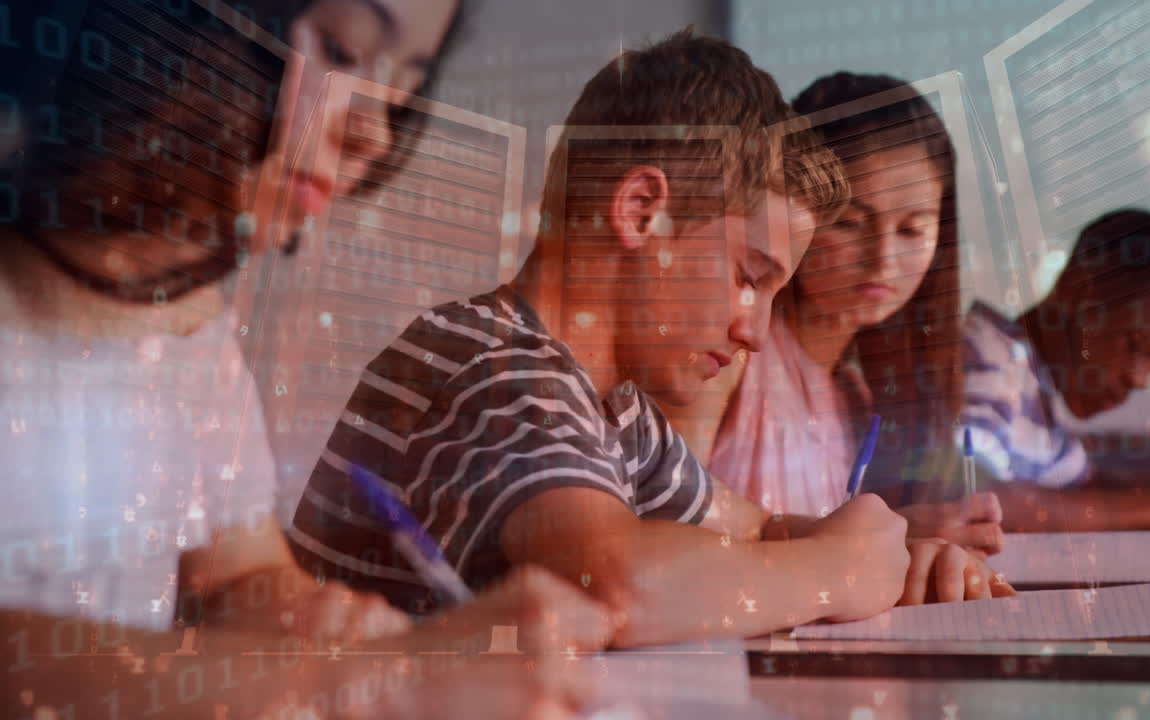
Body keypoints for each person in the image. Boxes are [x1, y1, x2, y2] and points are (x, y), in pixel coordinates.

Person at [292, 34, 1013, 651]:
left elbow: (756, 532)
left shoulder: (617, 408)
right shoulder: (495, 367)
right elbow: (613, 578)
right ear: (641, 212)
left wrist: (902, 559)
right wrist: (837, 572)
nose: (755, 332)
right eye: (747, 277)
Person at [0, 1, 613, 716]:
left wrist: (322, 623)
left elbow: (234, 574)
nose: (373, 132)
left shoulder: (191, 333)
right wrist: (375, 683)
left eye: (404, 88)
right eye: (342, 52)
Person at [663, 73, 1004, 554]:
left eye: (911, 230)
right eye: (849, 223)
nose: (882, 259)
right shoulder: (726, 353)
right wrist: (880, 543)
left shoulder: (857, 395)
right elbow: (658, 526)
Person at [961, 208, 1150, 531]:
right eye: (1137, 344)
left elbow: (1081, 488)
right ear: (1078, 290)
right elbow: (968, 497)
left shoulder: (1038, 401)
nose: (1140, 380)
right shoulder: (984, 357)